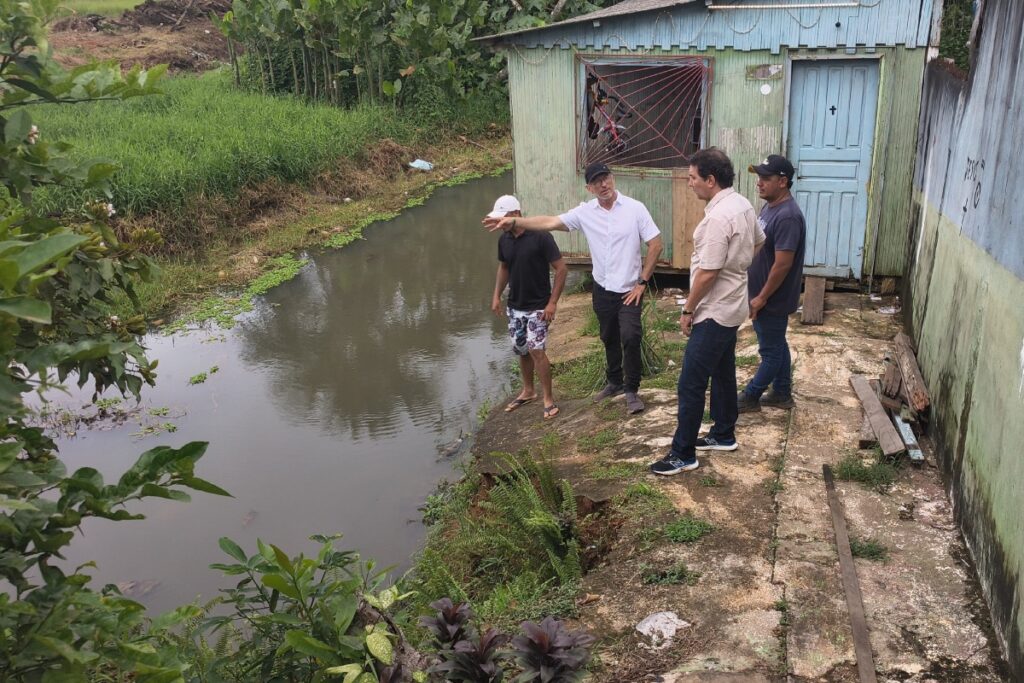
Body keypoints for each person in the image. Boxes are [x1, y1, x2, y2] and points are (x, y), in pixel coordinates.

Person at [483, 163, 663, 415]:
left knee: (631, 336)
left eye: (606, 178)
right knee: (608, 336)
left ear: (613, 179)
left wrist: (642, 282)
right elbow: (549, 222)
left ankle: (631, 389)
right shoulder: (585, 212)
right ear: (589, 188)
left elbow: (655, 244)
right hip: (602, 288)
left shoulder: (635, 209)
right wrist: (514, 221)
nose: (604, 185)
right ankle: (614, 383)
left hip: (629, 289)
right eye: (597, 182)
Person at [650, 148, 765, 476]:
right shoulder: (741, 203)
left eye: (692, 178)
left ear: (710, 180)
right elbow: (759, 241)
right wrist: (738, 269)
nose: (689, 184)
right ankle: (723, 433)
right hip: (733, 304)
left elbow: (709, 272)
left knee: (690, 382)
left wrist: (688, 309)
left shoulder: (718, 217)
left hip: (714, 310)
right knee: (723, 371)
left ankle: (683, 452)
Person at [489, 195, 569, 420]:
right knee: (521, 349)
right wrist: (496, 295)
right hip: (515, 305)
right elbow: (504, 267)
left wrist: (552, 303)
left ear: (516, 215)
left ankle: (548, 399)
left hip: (538, 306)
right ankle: (528, 391)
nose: (499, 223)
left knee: (536, 351)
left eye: (502, 218)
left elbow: (561, 269)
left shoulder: (541, 236)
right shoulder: (504, 239)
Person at [737, 155, 806, 413]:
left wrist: (762, 297)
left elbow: (782, 264)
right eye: (759, 177)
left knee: (770, 350)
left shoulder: (788, 216)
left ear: (783, 182)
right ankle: (781, 392)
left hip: (773, 298)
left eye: (766, 178)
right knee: (777, 343)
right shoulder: (771, 206)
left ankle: (751, 395)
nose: (759, 183)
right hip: (764, 292)